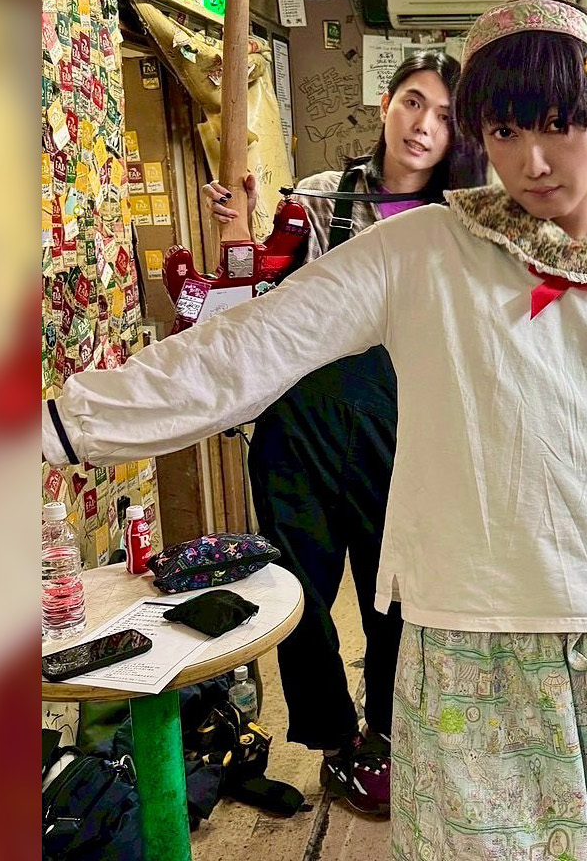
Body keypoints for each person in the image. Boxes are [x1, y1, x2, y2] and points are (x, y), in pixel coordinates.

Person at [42, 0, 587, 860]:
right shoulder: (423, 252)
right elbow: (242, 352)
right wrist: (52, 426)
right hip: (468, 648)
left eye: (558, 125)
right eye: (504, 131)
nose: (532, 160)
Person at [195, 51, 472, 816]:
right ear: (385, 104)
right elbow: (258, 289)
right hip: (300, 424)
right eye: (413, 102)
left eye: (444, 116)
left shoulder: (458, 220)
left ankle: (390, 730)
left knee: (399, 592)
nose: (424, 125)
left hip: (403, 427)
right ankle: (337, 744)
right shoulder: (319, 199)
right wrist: (238, 232)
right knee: (300, 594)